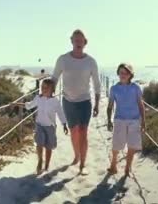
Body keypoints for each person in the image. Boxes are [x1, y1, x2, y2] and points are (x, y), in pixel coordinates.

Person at [52, 29, 101, 175]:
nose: (78, 42)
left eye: (81, 40)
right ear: (72, 41)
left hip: (85, 101)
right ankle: (76, 156)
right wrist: (48, 94)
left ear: (85, 43)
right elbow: (55, 78)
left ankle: (83, 164)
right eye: (76, 40)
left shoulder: (91, 61)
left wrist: (97, 103)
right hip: (68, 101)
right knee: (73, 131)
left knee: (83, 132)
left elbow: (97, 83)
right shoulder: (63, 59)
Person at [14, 78, 68, 175]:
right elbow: (29, 105)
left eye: (47, 88)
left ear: (52, 90)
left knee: (49, 147)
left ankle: (47, 165)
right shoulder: (38, 98)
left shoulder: (55, 101)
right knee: (39, 143)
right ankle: (40, 160)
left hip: (50, 127)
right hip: (39, 125)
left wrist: (64, 124)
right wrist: (18, 104)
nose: (44, 89)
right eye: (42, 87)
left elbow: (60, 113)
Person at [106, 63, 145, 176]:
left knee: (132, 145)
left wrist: (143, 121)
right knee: (116, 145)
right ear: (118, 73)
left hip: (134, 120)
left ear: (130, 75)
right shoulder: (114, 89)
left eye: (126, 73)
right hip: (119, 120)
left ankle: (127, 169)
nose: (123, 75)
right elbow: (110, 106)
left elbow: (141, 105)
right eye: (121, 72)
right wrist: (109, 120)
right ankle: (113, 165)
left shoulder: (136, 88)